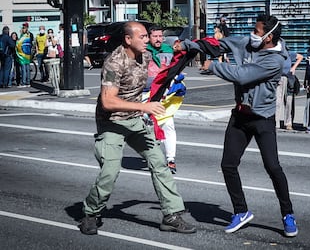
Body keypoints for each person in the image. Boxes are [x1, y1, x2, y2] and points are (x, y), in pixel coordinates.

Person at [176, 14, 298, 237]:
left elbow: (243, 76)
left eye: (258, 31)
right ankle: (241, 211)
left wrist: (213, 66)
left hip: (262, 118)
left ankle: (287, 214)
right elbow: (218, 43)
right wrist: (185, 44)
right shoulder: (247, 42)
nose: (253, 33)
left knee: (273, 167)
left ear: (269, 37)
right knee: (228, 165)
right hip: (240, 115)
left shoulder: (276, 61)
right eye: (254, 28)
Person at [79, 21, 196, 235]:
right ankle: (91, 213)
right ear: (128, 39)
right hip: (112, 122)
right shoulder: (114, 63)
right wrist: (144, 106)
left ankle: (171, 215)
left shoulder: (145, 56)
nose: (147, 39)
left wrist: (182, 59)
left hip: (134, 119)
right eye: (142, 36)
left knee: (159, 162)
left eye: (147, 36)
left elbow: (161, 73)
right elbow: (108, 101)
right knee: (110, 171)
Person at [145, 25, 185, 174]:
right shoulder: (143, 51)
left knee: (168, 125)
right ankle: (153, 156)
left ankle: (170, 160)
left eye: (160, 36)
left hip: (164, 95)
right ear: (149, 37)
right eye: (155, 36)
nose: (158, 39)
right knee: (149, 127)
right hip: (146, 95)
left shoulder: (168, 50)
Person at [275, 45, 303, 130]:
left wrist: (293, 68)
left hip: (289, 79)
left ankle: (288, 123)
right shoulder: (276, 56)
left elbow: (300, 57)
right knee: (277, 102)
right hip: (279, 79)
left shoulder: (289, 54)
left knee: (289, 102)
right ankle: (276, 123)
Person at [16, 22, 33, 87]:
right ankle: (28, 82)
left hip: (23, 54)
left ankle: (24, 82)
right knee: (27, 68)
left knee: (24, 69)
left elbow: (19, 43)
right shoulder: (30, 34)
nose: (22, 29)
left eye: (23, 28)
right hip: (27, 53)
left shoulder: (24, 35)